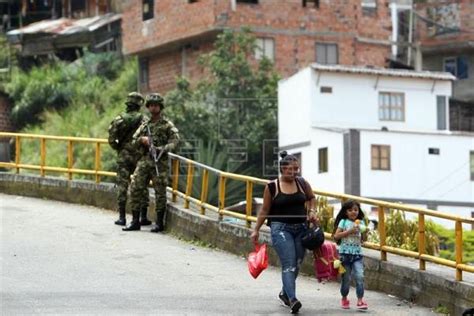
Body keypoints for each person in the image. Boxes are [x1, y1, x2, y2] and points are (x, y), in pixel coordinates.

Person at [250, 151, 318, 314]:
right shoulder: (272, 187)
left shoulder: (302, 183)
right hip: (281, 229)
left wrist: (312, 211)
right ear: (282, 169)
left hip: (301, 228)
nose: (294, 173)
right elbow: (265, 209)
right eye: (291, 170)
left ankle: (284, 292)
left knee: (297, 263)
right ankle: (292, 299)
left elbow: (311, 198)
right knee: (289, 264)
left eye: (296, 169)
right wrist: (256, 229)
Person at [123, 93, 179, 232]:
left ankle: (159, 223)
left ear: (160, 107)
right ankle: (135, 221)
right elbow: (133, 141)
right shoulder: (145, 125)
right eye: (151, 105)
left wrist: (162, 149)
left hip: (159, 163)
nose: (154, 108)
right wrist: (142, 140)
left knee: (160, 192)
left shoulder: (167, 125)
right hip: (144, 161)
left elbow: (175, 141)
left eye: (156, 105)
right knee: (136, 187)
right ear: (148, 107)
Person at [108, 92, 151, 227]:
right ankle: (143, 217)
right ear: (139, 105)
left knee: (122, 185)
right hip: (140, 156)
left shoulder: (119, 119)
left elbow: (111, 138)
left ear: (127, 103)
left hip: (124, 156)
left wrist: (119, 147)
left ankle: (122, 217)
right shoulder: (145, 120)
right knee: (142, 185)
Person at [333, 200, 368, 310]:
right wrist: (350, 231)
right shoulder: (343, 222)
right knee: (346, 279)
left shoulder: (361, 223)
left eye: (356, 210)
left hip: (357, 255)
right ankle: (344, 297)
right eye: (350, 210)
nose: (353, 212)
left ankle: (360, 300)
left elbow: (363, 240)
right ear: (345, 212)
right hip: (345, 255)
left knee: (360, 276)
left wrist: (365, 232)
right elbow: (336, 236)